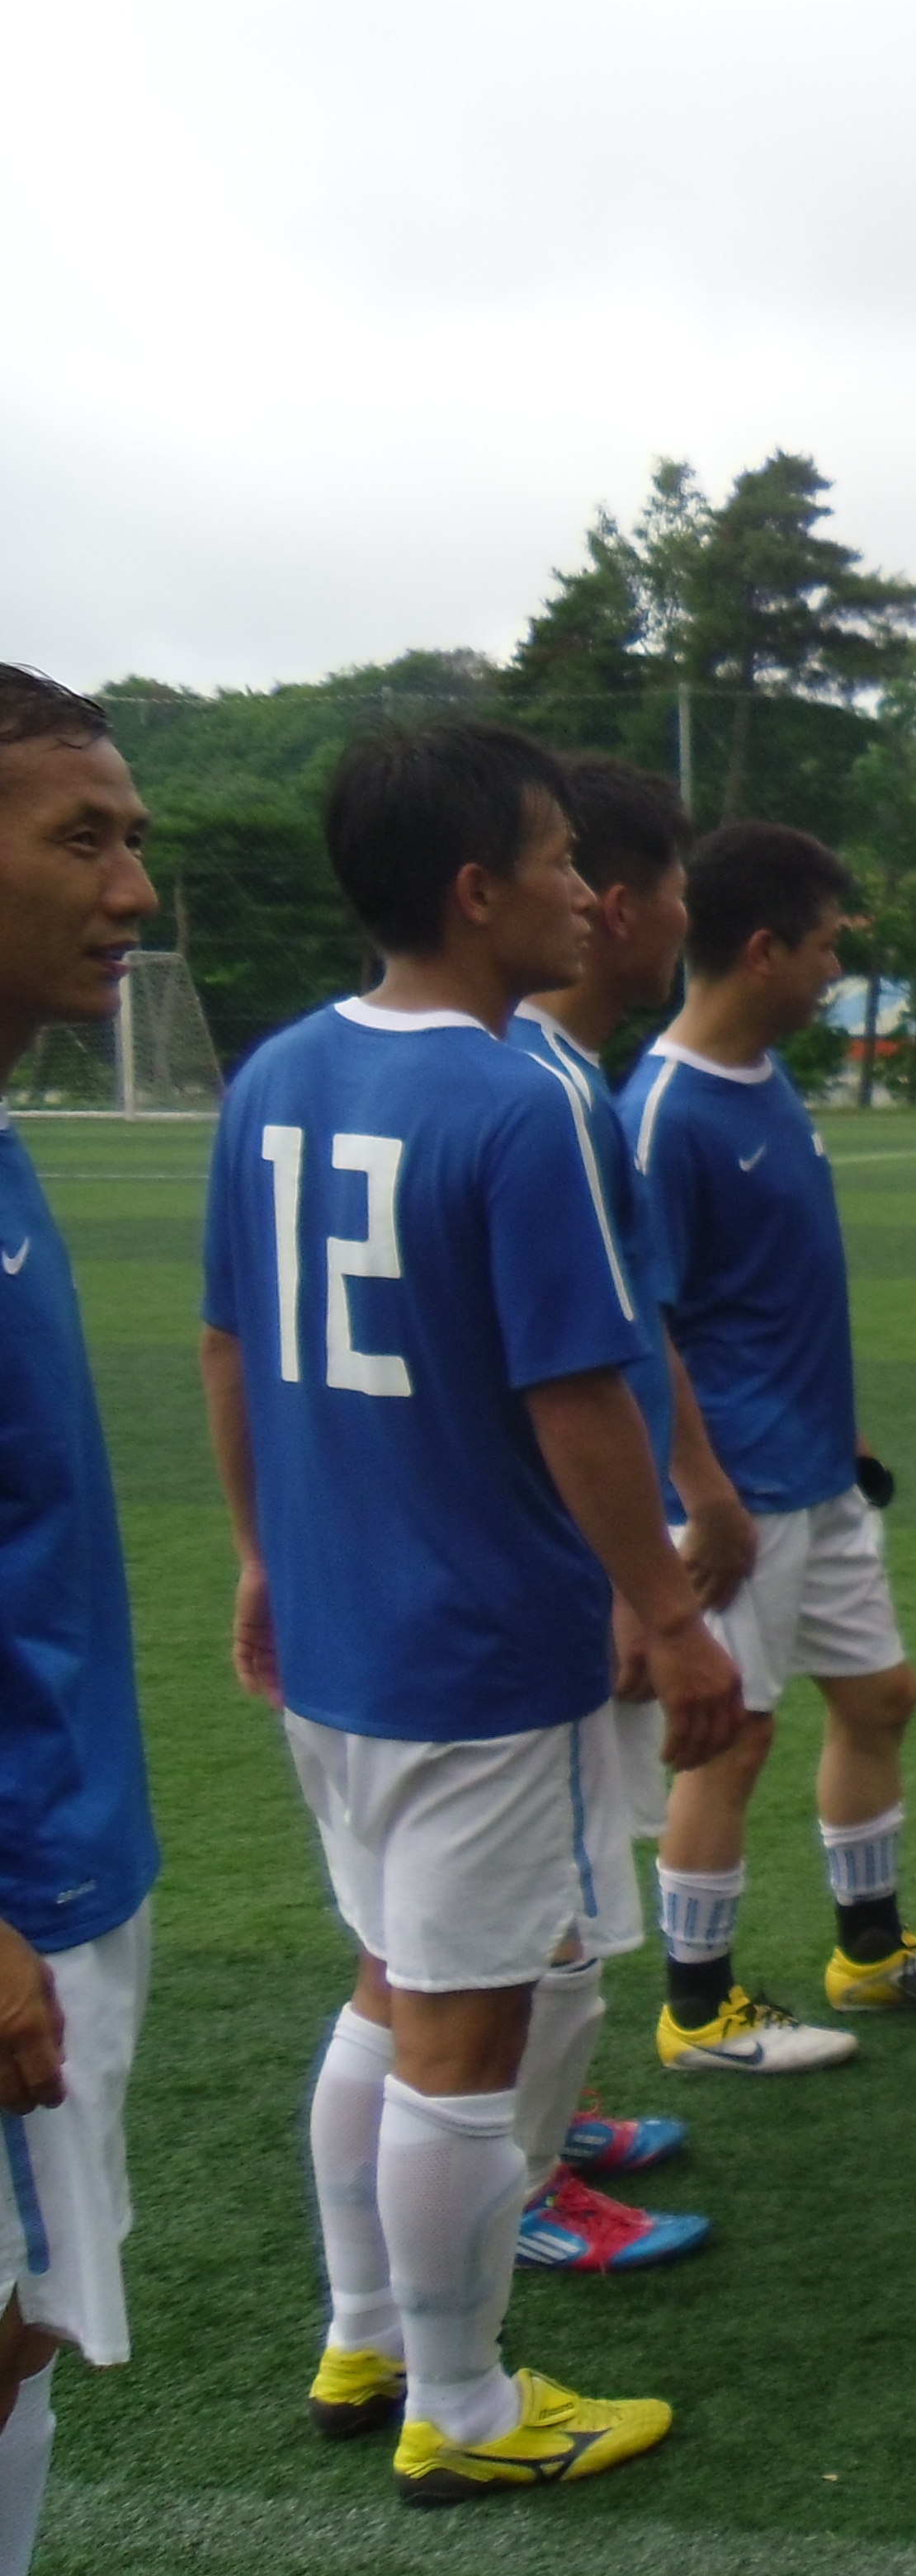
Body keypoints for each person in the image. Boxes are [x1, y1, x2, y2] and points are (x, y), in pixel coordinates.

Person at [200, 719, 738, 2505]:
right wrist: (668, 1611)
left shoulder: (278, 1072)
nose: (590, 891)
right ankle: (466, 2404)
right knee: (466, 2033)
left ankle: (367, 2333)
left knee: (387, 1988)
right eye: (560, 857)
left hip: (337, 1635)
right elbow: (575, 1395)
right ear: (473, 890)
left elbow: (227, 1342)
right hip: (478, 1644)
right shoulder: (516, 1102)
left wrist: (262, 1556)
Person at [627, 825, 916, 2074]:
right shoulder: (665, 1113)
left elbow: (773, 1290)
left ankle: (872, 1953)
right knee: (730, 1737)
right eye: (828, 948)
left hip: (817, 1471)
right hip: (737, 1492)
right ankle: (698, 2009)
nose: (836, 972)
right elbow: (641, 1328)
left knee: (881, 1697)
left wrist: (839, 1429)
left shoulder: (767, 1080)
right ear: (762, 950)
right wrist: (703, 1494)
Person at [501, 756, 752, 2274]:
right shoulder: (529, 1088)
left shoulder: (555, 1079)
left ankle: (544, 2129)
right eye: (673, 893)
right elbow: (561, 1372)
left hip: (499, 1571)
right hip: (527, 1581)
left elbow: (628, 1326)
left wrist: (693, 1485)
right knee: (535, 1907)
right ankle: (519, 2191)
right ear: (613, 902)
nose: (678, 922)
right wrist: (637, 1581)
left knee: (532, 1904)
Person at [0, 667, 158, 2574]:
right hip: (17, 1890)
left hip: (65, 1854)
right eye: (82, 839)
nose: (132, 890)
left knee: (21, 2334)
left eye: (134, 839)